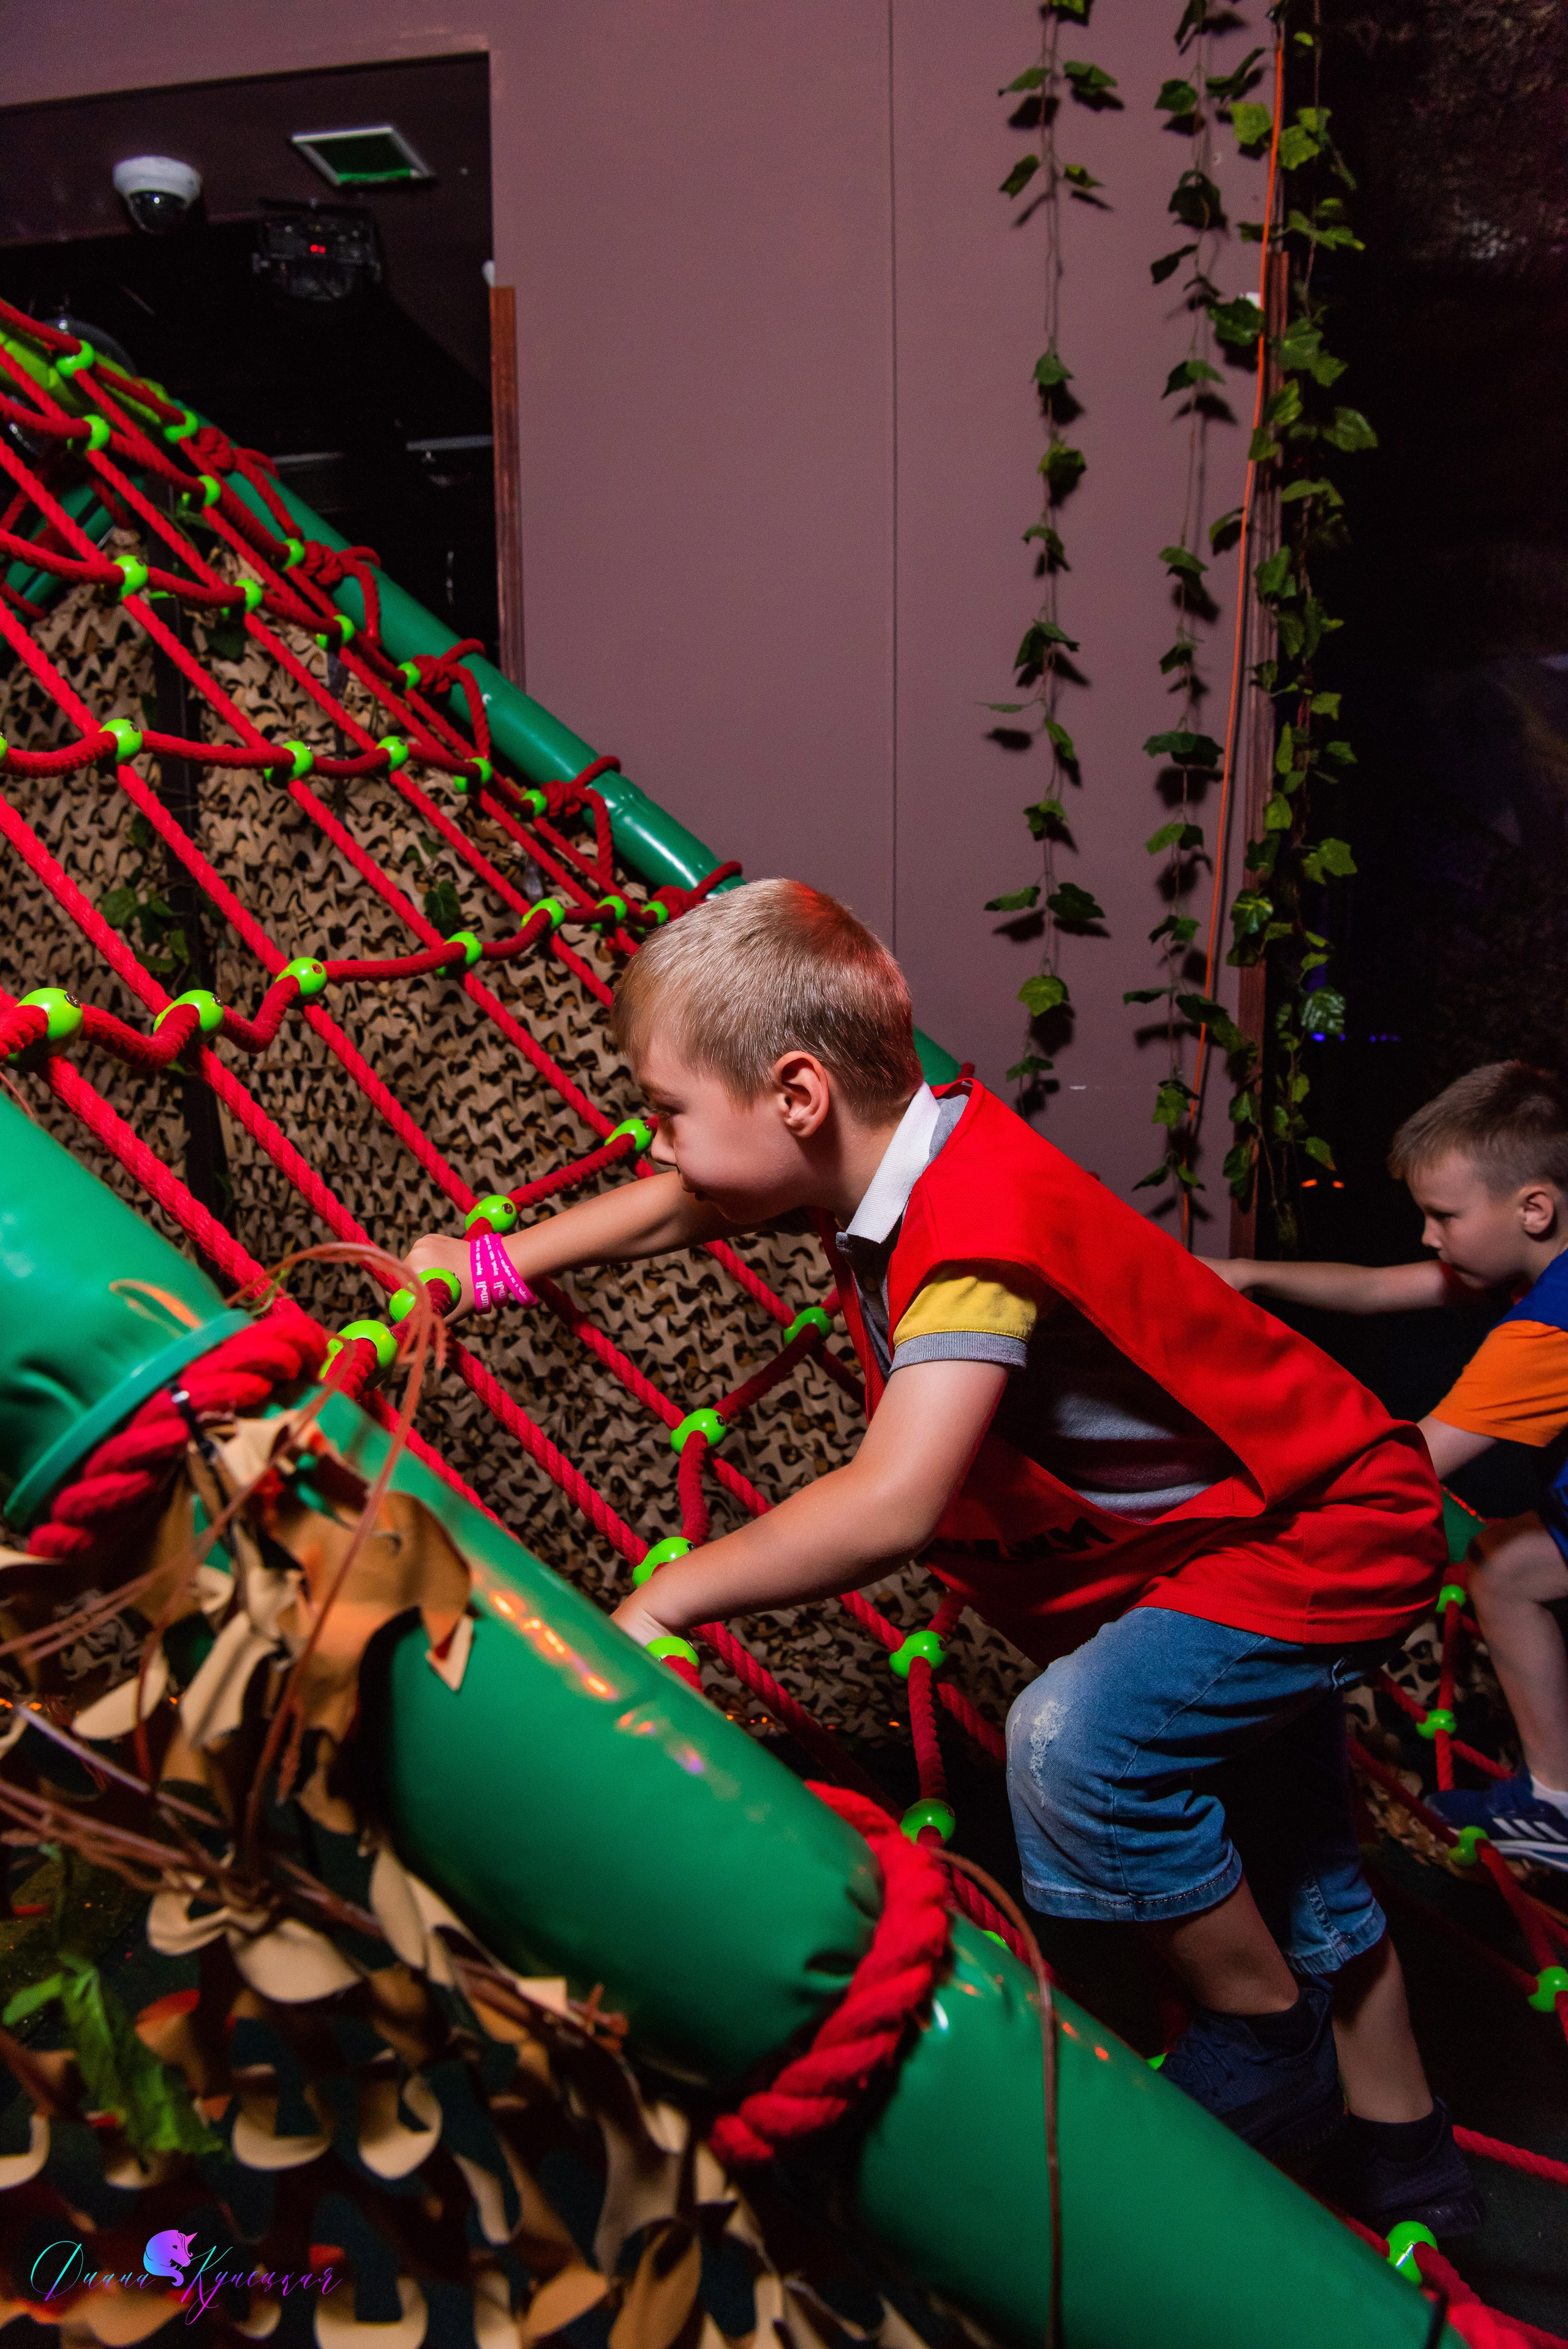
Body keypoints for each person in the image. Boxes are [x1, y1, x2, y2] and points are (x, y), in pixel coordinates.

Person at [407, 879, 1475, 2234]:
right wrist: (491, 1265)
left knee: (1072, 1742)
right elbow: (682, 1205)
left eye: (667, 1107)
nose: (655, 1139)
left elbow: (896, 1499)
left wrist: (669, 1592)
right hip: (1226, 1544)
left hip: (1315, 1531)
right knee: (1299, 1844)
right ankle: (1410, 2165)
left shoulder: (970, 1230)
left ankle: (1257, 2029)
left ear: (795, 1095)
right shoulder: (905, 1149)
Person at [1210, 1060, 1568, 1879]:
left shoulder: (1547, 1334)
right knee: (1502, 1568)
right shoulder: (1535, 1265)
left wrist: (1249, 1485)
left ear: (1533, 1209)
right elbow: (1377, 1290)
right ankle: (1556, 1802)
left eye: (1443, 1216)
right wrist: (1254, 1276)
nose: (1429, 1238)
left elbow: (1414, 1462)